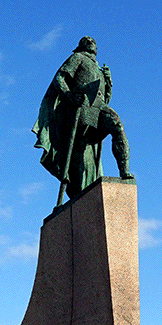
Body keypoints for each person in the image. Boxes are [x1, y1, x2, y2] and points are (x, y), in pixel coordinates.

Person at [32, 36, 133, 204]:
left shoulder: (98, 68)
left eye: (93, 41)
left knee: (117, 125)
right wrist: (69, 96)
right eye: (88, 41)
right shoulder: (77, 57)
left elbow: (106, 98)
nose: (92, 42)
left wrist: (108, 83)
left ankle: (124, 171)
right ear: (81, 45)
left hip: (99, 107)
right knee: (80, 151)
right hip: (81, 108)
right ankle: (78, 189)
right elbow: (59, 79)